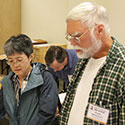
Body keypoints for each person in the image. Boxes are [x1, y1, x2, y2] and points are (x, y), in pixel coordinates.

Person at [59, 2, 125, 125]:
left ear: (99, 30)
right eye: (69, 37)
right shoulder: (84, 58)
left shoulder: (121, 66)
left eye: (77, 36)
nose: (72, 43)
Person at [0, 34, 58, 125]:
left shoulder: (45, 79)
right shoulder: (7, 82)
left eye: (19, 60)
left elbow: (47, 115)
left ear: (31, 57)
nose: (15, 65)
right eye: (10, 61)